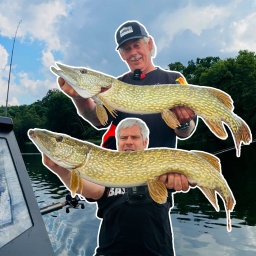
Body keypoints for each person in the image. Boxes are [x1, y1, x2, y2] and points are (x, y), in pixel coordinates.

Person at [44, 20, 197, 254]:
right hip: (117, 183)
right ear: (122, 54)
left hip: (160, 180)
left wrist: (184, 120)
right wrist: (78, 96)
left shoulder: (173, 79)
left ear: (150, 45)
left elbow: (186, 132)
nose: (133, 52)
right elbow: (98, 120)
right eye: (126, 49)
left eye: (137, 45)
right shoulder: (117, 86)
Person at [43, 117, 184, 255]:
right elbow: (94, 191)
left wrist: (184, 178)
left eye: (134, 137)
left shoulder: (162, 166)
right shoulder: (104, 169)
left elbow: (186, 179)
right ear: (117, 142)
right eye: (123, 138)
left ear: (145, 142)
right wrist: (61, 170)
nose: (128, 142)